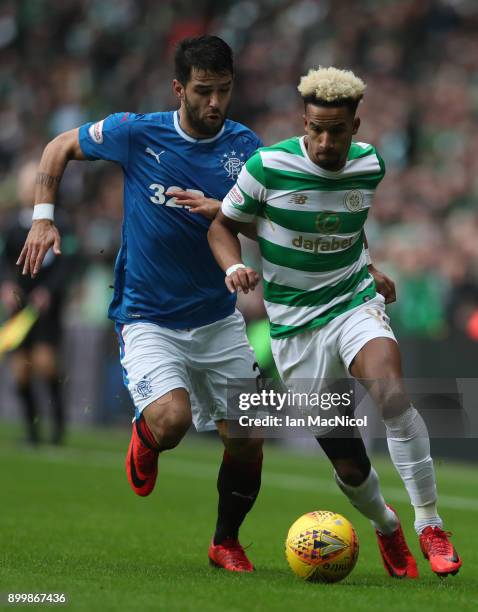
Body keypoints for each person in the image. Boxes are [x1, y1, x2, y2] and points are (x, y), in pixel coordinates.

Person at [17, 35, 264, 573]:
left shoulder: (247, 147)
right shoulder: (137, 132)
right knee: (171, 421)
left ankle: (225, 541)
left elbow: (268, 220)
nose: (215, 103)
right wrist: (42, 215)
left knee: (247, 437)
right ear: (179, 88)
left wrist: (222, 209)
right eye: (203, 91)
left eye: (223, 90)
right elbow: (58, 146)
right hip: (149, 317)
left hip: (218, 318)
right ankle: (146, 437)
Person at [208, 66, 462, 578]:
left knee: (391, 394)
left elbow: (348, 226)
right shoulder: (267, 166)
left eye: (337, 131)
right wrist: (234, 265)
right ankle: (387, 526)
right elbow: (223, 225)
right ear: (304, 122)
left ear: (357, 126)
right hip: (295, 331)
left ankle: (430, 523)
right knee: (347, 463)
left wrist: (367, 268)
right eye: (316, 129)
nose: (325, 141)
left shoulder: (370, 166)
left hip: (352, 304)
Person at [0, 160, 76, 445]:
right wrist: (6, 286)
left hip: (46, 310)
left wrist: (50, 292)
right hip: (19, 309)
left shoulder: (61, 223)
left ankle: (57, 429)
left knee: (46, 365)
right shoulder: (12, 227)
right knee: (20, 371)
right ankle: (32, 432)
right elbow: (4, 262)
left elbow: (68, 263)